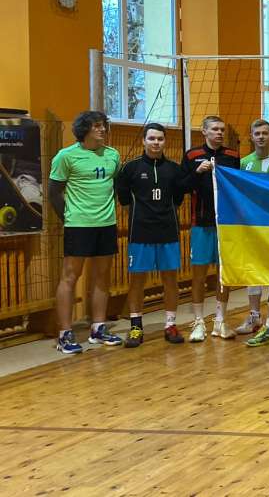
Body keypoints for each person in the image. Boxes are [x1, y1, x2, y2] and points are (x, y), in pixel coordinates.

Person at [49, 111, 123, 353]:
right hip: (79, 225)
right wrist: (69, 219)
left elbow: (115, 186)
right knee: (70, 277)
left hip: (106, 224)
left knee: (102, 276)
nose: (102, 130)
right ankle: (65, 334)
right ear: (85, 130)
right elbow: (54, 193)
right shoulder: (66, 156)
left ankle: (98, 328)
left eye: (104, 125)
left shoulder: (112, 155)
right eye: (97, 126)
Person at [114, 123, 187, 347]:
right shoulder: (131, 168)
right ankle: (136, 327)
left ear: (165, 142)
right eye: (152, 138)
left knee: (170, 280)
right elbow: (124, 198)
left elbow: (178, 199)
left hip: (168, 232)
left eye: (160, 139)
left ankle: (170, 324)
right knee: (137, 281)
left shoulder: (174, 169)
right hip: (140, 233)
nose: (156, 142)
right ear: (143, 141)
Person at [181, 115, 241, 341]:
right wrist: (197, 172)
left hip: (225, 224)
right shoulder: (192, 155)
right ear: (204, 131)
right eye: (215, 129)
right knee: (199, 274)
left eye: (222, 129)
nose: (219, 133)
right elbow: (182, 186)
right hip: (201, 223)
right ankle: (198, 322)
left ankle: (220, 320)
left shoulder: (232, 156)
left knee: (223, 274)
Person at [235, 119, 269, 337]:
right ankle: (254, 316)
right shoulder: (243, 163)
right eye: (257, 133)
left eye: (265, 133)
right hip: (253, 225)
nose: (261, 137)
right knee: (254, 270)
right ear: (251, 137)